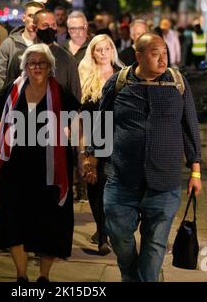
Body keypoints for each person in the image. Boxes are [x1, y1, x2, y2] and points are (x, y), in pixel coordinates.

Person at [83, 33, 202, 282]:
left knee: (155, 244)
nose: (162, 60)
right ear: (138, 55)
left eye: (165, 53)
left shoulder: (178, 83)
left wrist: (195, 171)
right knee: (119, 237)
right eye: (155, 53)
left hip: (164, 181)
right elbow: (101, 124)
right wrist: (92, 157)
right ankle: (131, 275)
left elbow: (190, 126)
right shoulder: (119, 83)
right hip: (123, 178)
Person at [0, 44, 80, 282]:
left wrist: (78, 147)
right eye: (32, 63)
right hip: (16, 167)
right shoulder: (12, 90)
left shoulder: (61, 92)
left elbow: (79, 119)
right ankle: (21, 275)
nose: (37, 67)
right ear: (25, 66)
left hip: (51, 169)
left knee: (51, 220)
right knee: (13, 217)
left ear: (50, 67)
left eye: (42, 63)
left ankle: (44, 277)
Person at [78, 34, 124, 255]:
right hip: (92, 139)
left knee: (111, 188)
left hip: (117, 139)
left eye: (108, 48)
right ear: (93, 53)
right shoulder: (85, 75)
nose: (104, 53)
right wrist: (83, 150)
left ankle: (105, 235)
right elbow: (80, 115)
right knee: (94, 187)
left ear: (113, 50)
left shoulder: (123, 76)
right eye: (99, 49)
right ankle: (101, 230)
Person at [0, 1, 45, 97]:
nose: (33, 20)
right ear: (24, 18)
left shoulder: (47, 45)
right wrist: (4, 100)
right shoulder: (9, 44)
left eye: (37, 17)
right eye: (30, 16)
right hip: (13, 103)